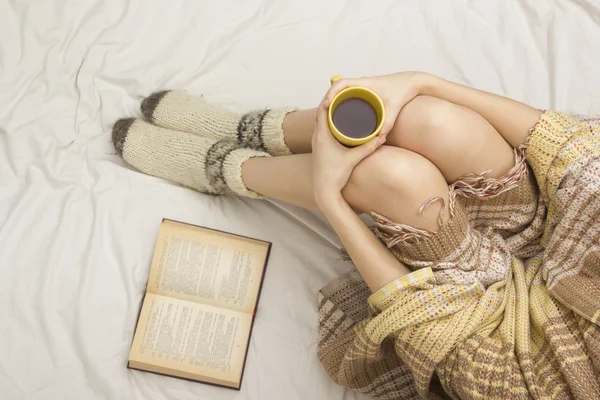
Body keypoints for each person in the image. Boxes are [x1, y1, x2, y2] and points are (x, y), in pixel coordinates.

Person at [112, 72, 600, 399]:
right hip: (550, 223)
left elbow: (430, 325)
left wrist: (331, 197)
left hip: (486, 313)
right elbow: (576, 150)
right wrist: (419, 82)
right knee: (428, 118)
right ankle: (253, 129)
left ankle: (229, 169)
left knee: (391, 176)